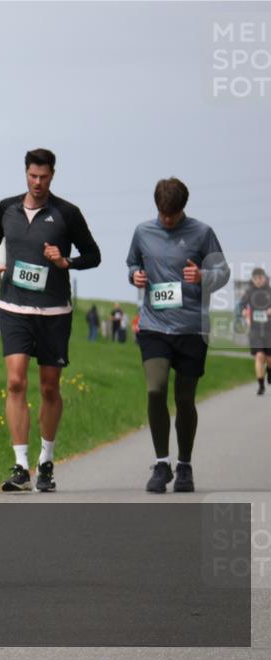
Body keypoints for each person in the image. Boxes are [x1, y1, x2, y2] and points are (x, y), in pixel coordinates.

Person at [0, 148, 101, 493]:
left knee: (49, 387)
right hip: (13, 307)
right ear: (25, 174)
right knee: (15, 382)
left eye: (44, 177)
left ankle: (46, 461)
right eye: (33, 176)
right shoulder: (6, 208)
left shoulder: (67, 213)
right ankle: (21, 466)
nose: (38, 182)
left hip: (54, 312)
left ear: (52, 176)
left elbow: (93, 255)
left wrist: (65, 262)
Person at [126, 177, 230, 492]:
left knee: (185, 399)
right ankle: (162, 464)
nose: (167, 219)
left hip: (191, 328)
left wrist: (202, 275)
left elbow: (223, 272)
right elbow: (132, 263)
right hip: (154, 326)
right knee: (155, 390)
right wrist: (135, 275)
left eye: (172, 214)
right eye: (162, 213)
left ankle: (184, 466)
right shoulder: (143, 231)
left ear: (182, 208)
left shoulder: (202, 232)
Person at [240, 267, 271, 395]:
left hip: (269, 329)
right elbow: (242, 306)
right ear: (252, 279)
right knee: (259, 356)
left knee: (269, 358)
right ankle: (261, 385)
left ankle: (269, 370)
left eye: (260, 278)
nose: (258, 280)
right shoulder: (248, 292)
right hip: (255, 329)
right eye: (256, 278)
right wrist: (244, 312)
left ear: (264, 278)